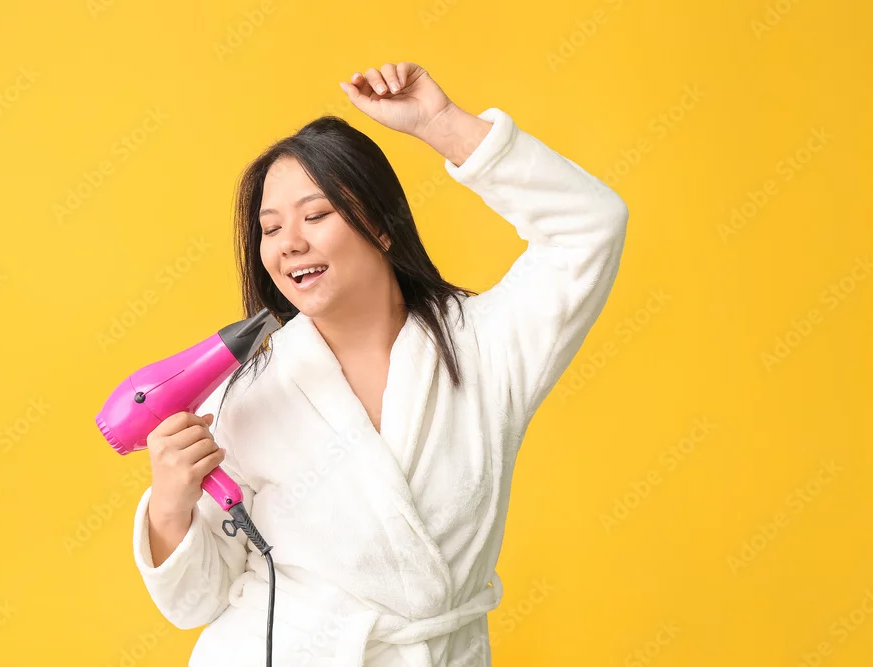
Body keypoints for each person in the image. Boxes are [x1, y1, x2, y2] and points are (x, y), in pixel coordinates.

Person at [130, 62, 628, 666]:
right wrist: (170, 504)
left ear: (381, 225)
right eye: (270, 228)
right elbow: (197, 602)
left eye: (316, 215)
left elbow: (589, 227)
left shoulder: (484, 347)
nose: (289, 243)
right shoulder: (243, 395)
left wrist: (442, 124)